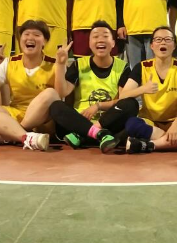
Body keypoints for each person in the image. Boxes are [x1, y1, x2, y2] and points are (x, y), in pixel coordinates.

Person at [98, 26, 177, 153]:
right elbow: (123, 96)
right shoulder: (142, 67)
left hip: (175, 121)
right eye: (158, 39)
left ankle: (150, 144)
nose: (163, 43)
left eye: (168, 39)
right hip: (151, 122)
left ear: (174, 46)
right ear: (152, 46)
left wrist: (176, 125)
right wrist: (143, 89)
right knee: (132, 124)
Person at [0, 20, 61, 151]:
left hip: (43, 119)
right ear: (20, 40)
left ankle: (11, 134)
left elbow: (61, 96)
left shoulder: (55, 64)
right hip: (16, 112)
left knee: (50, 93)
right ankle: (26, 137)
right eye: (26, 34)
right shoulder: (9, 62)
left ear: (45, 42)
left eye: (36, 35)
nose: (30, 38)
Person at [48, 21, 130, 152]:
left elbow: (123, 100)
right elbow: (61, 93)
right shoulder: (79, 64)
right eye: (95, 36)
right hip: (79, 121)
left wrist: (98, 106)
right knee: (55, 106)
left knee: (131, 104)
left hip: (108, 122)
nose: (100, 40)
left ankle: (85, 136)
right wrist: (60, 64)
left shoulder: (123, 67)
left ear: (113, 43)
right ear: (89, 44)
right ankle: (100, 135)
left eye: (105, 36)